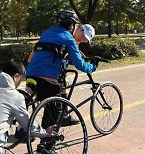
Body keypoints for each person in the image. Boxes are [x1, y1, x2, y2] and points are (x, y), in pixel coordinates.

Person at [25, 10, 97, 153]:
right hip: (47, 78)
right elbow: (80, 65)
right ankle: (46, 145)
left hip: (31, 73)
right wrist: (92, 67)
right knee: (55, 111)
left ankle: (22, 127)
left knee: (34, 99)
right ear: (71, 25)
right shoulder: (68, 38)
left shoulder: (47, 32)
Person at [0, 60, 56, 154]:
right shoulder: (15, 96)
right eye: (21, 79)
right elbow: (28, 124)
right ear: (16, 77)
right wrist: (44, 133)